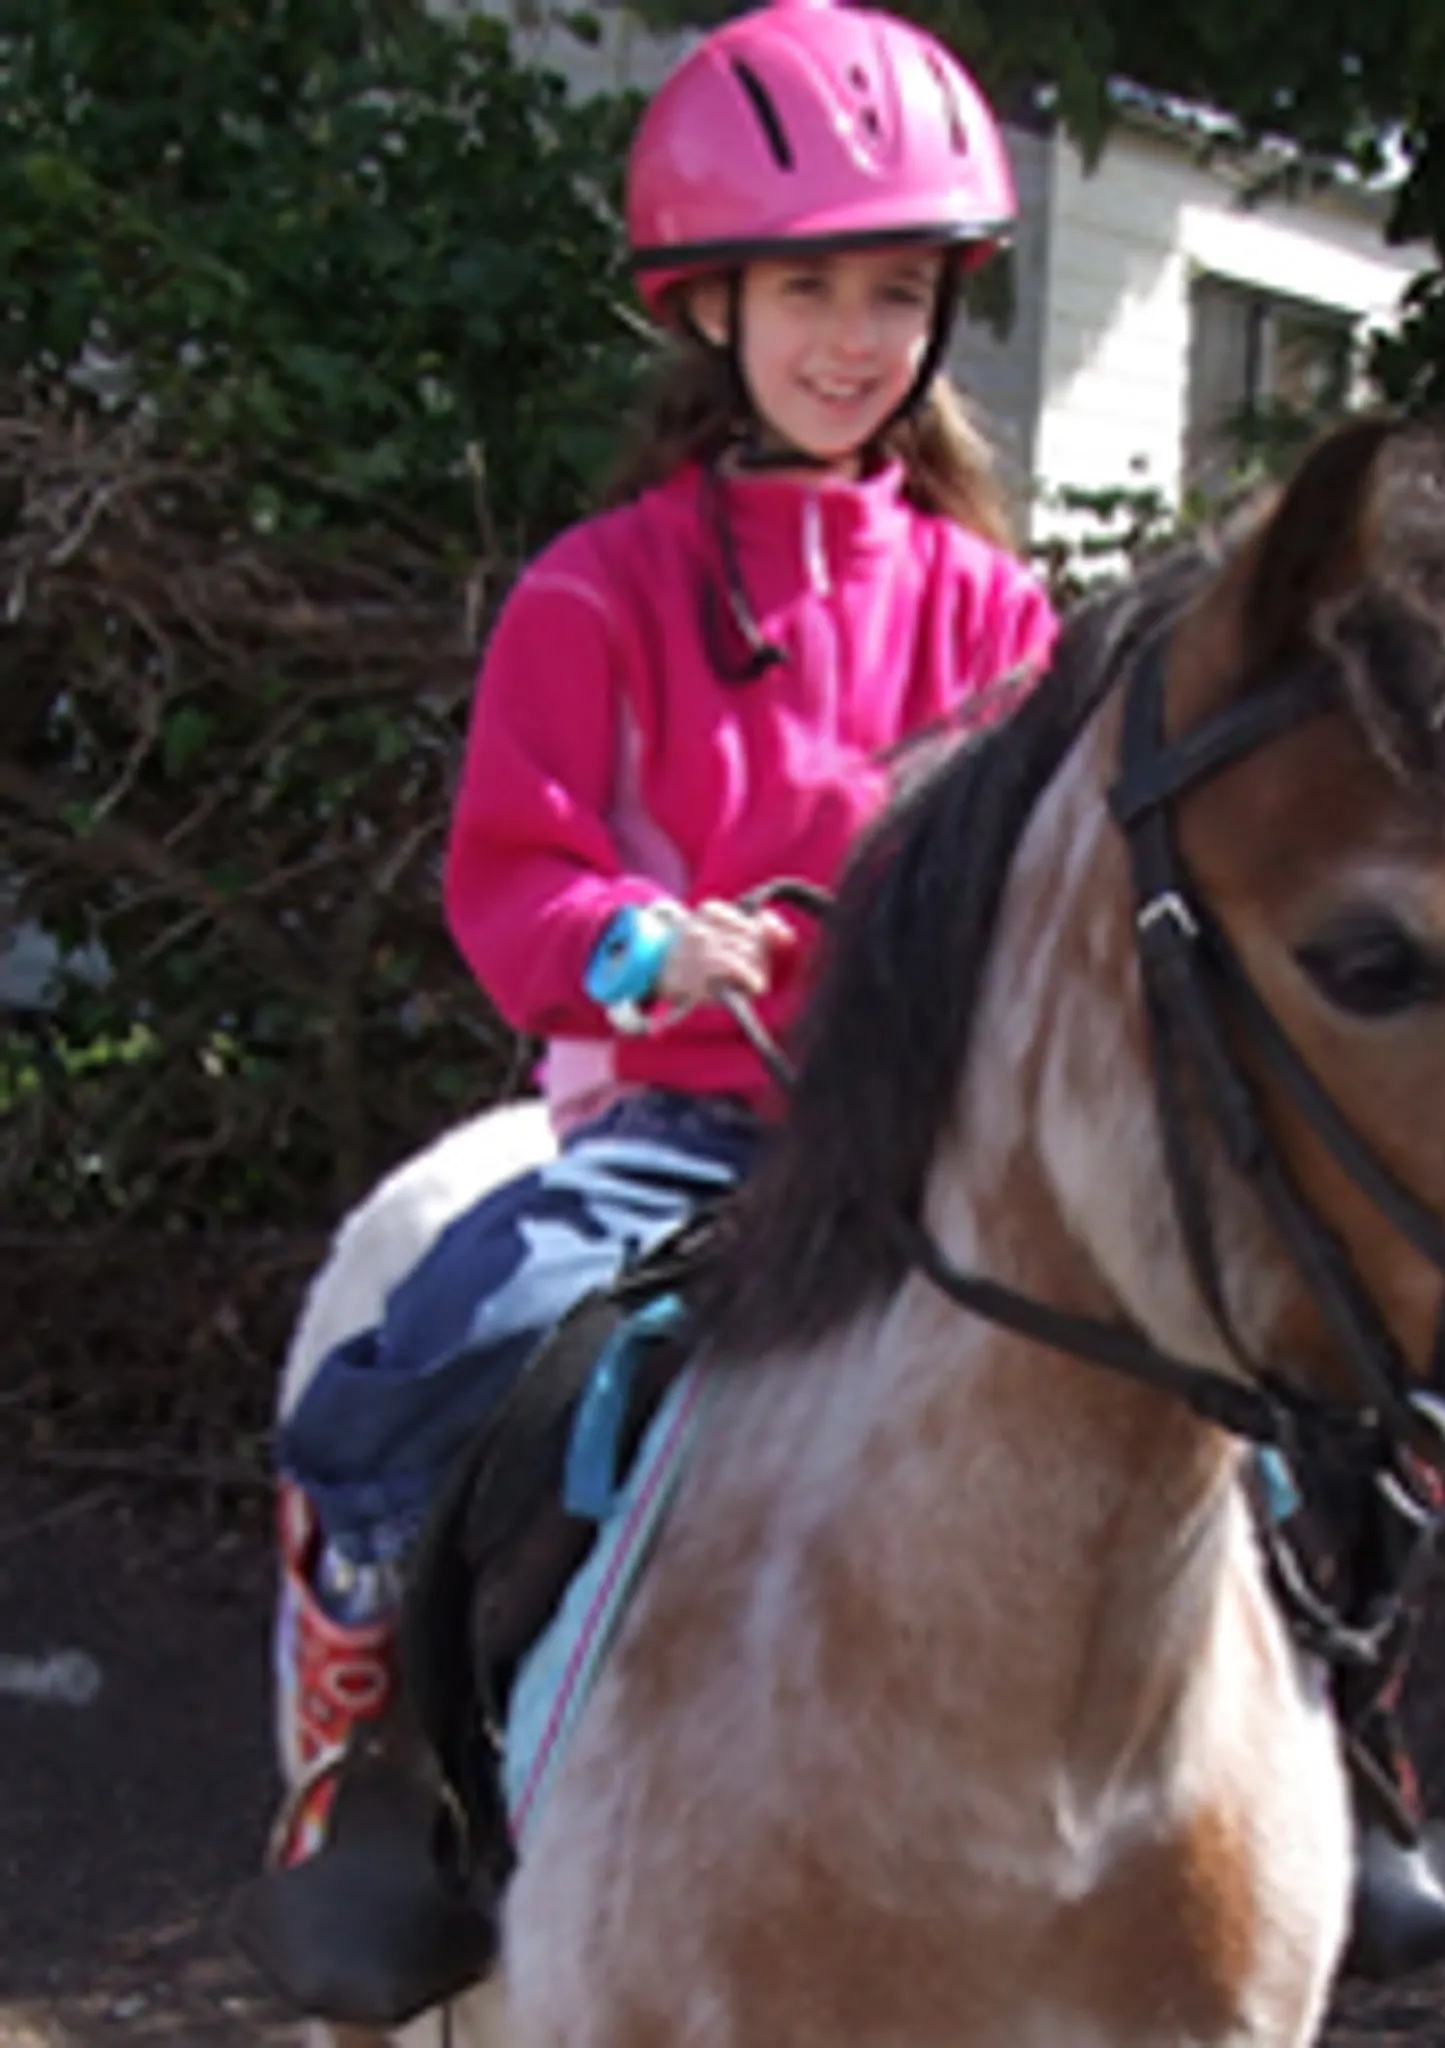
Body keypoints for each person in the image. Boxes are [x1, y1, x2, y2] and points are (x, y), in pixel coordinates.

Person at [267, 0, 1059, 1860]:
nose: (854, 341)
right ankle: (357, 1731)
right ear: (710, 306)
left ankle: (1337, 1753)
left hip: (936, 1138)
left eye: (892, 292)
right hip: (685, 1132)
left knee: (1262, 1377)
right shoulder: (594, 591)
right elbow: (513, 873)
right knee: (455, 1343)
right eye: (806, 294)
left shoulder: (996, 611)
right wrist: (636, 947)